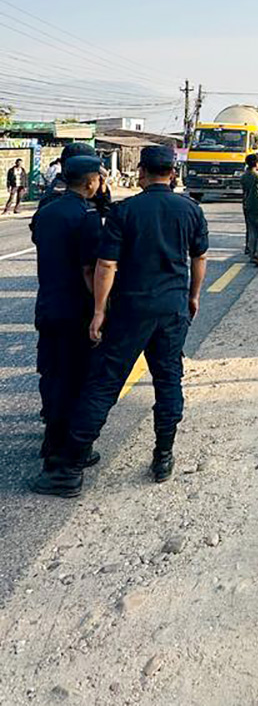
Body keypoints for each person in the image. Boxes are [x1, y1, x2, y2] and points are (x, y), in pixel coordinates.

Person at [32, 146, 208, 497]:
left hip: (131, 310)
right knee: (169, 379)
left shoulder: (125, 211)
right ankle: (162, 456)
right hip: (172, 308)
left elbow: (105, 266)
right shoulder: (190, 209)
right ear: (172, 173)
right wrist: (192, 296)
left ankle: (69, 470)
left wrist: (99, 311)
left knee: (103, 384)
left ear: (142, 172)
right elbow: (199, 257)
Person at [30, 155, 104, 468]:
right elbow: (91, 269)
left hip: (48, 303)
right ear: (90, 182)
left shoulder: (46, 211)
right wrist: (101, 308)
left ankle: (51, 436)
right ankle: (67, 445)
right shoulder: (86, 216)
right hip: (76, 308)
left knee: (51, 371)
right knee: (75, 376)